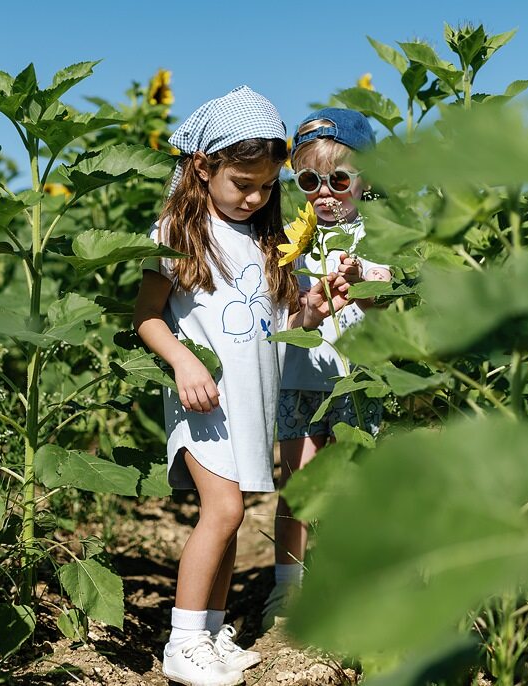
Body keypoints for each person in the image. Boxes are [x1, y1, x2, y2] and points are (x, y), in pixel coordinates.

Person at [133, 88, 361, 686]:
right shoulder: (178, 233)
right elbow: (146, 317)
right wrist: (184, 362)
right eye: (242, 184)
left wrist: (315, 306)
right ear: (203, 168)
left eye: (266, 187)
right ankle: (182, 641)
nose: (255, 197)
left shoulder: (265, 238)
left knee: (231, 517)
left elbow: (284, 325)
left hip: (249, 404)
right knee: (225, 509)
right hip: (203, 398)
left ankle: (210, 630)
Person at [264, 107, 393, 629]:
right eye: (310, 179)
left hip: (358, 381)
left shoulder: (374, 235)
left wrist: (361, 276)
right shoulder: (290, 239)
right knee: (299, 488)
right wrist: (305, 304)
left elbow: (389, 292)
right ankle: (287, 589)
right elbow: (276, 307)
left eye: (338, 178)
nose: (324, 192)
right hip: (301, 380)